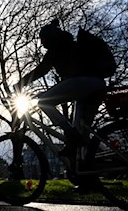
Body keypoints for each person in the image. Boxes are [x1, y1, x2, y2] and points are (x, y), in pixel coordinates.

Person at [13, 19, 107, 157]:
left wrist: (19, 84)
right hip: (97, 85)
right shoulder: (71, 45)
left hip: (82, 83)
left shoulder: (57, 48)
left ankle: (71, 135)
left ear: (50, 37)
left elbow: (41, 70)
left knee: (44, 102)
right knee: (82, 134)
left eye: (43, 38)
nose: (42, 43)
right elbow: (65, 82)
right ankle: (85, 169)